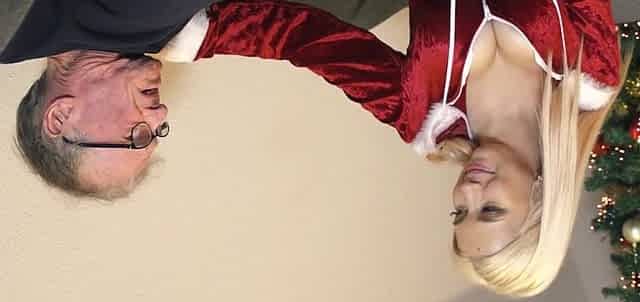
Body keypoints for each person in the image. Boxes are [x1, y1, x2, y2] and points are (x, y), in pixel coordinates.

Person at [11, 0, 627, 298]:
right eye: (487, 210)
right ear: (542, 202)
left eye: (459, 212)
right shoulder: (590, 73)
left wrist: (204, 36)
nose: (466, 192)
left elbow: (305, 41)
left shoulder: (422, 121)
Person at [3, 0, 406, 199]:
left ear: (61, 117)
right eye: (157, 131)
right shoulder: (179, 35)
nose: (160, 113)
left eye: (136, 136)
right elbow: (300, 36)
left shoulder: (14, 29)